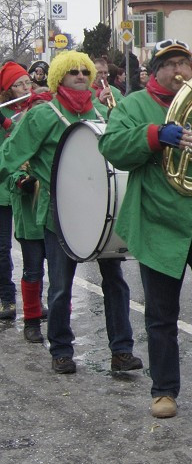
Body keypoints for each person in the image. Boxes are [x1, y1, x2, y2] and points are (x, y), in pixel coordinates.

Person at [99, 39, 192, 419]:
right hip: (158, 223)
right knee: (162, 314)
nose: (179, 70)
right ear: (155, 70)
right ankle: (164, 390)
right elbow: (112, 146)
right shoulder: (134, 105)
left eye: (185, 62)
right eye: (170, 64)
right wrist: (154, 136)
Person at [0, 51, 142, 375]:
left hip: (102, 214)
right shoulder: (42, 116)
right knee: (62, 286)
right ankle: (62, 350)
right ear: (58, 78)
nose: (80, 75)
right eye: (72, 71)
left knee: (116, 283)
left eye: (84, 71)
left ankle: (122, 351)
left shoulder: (104, 113)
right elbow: (9, 155)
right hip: (59, 213)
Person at [0, 62, 34, 322]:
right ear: (8, 90)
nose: (26, 88)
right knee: (2, 248)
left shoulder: (35, 109)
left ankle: (34, 304)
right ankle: (6, 298)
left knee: (33, 248)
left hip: (28, 187)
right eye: (19, 85)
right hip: (3, 187)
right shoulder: (3, 114)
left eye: (27, 83)